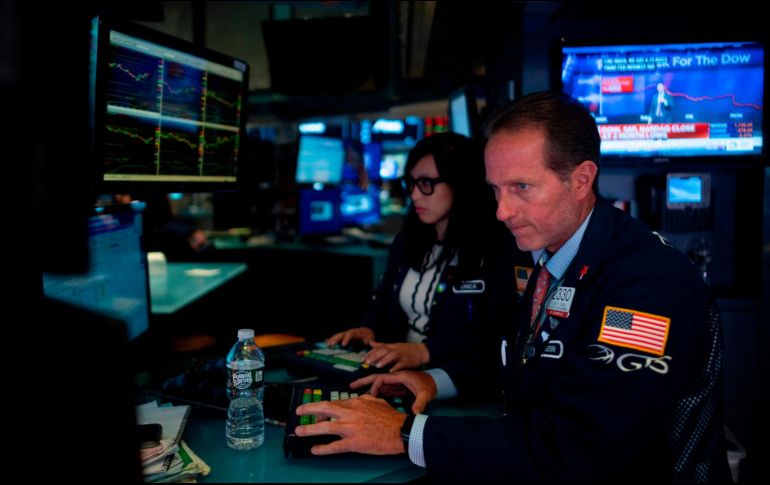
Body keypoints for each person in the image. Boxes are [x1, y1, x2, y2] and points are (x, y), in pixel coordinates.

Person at [295, 92, 730, 483]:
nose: (502, 211)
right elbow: (526, 364)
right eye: (495, 190)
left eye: (522, 187)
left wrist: (405, 433)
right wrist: (433, 381)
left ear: (581, 179)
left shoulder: (648, 283)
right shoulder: (546, 252)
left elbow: (585, 448)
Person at [326, 132, 523, 372]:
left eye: (426, 183)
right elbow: (384, 303)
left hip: (460, 384)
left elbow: (497, 338)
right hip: (396, 373)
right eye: (412, 182)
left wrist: (425, 351)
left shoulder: (496, 250)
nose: (415, 194)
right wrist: (369, 328)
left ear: (460, 183)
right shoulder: (406, 241)